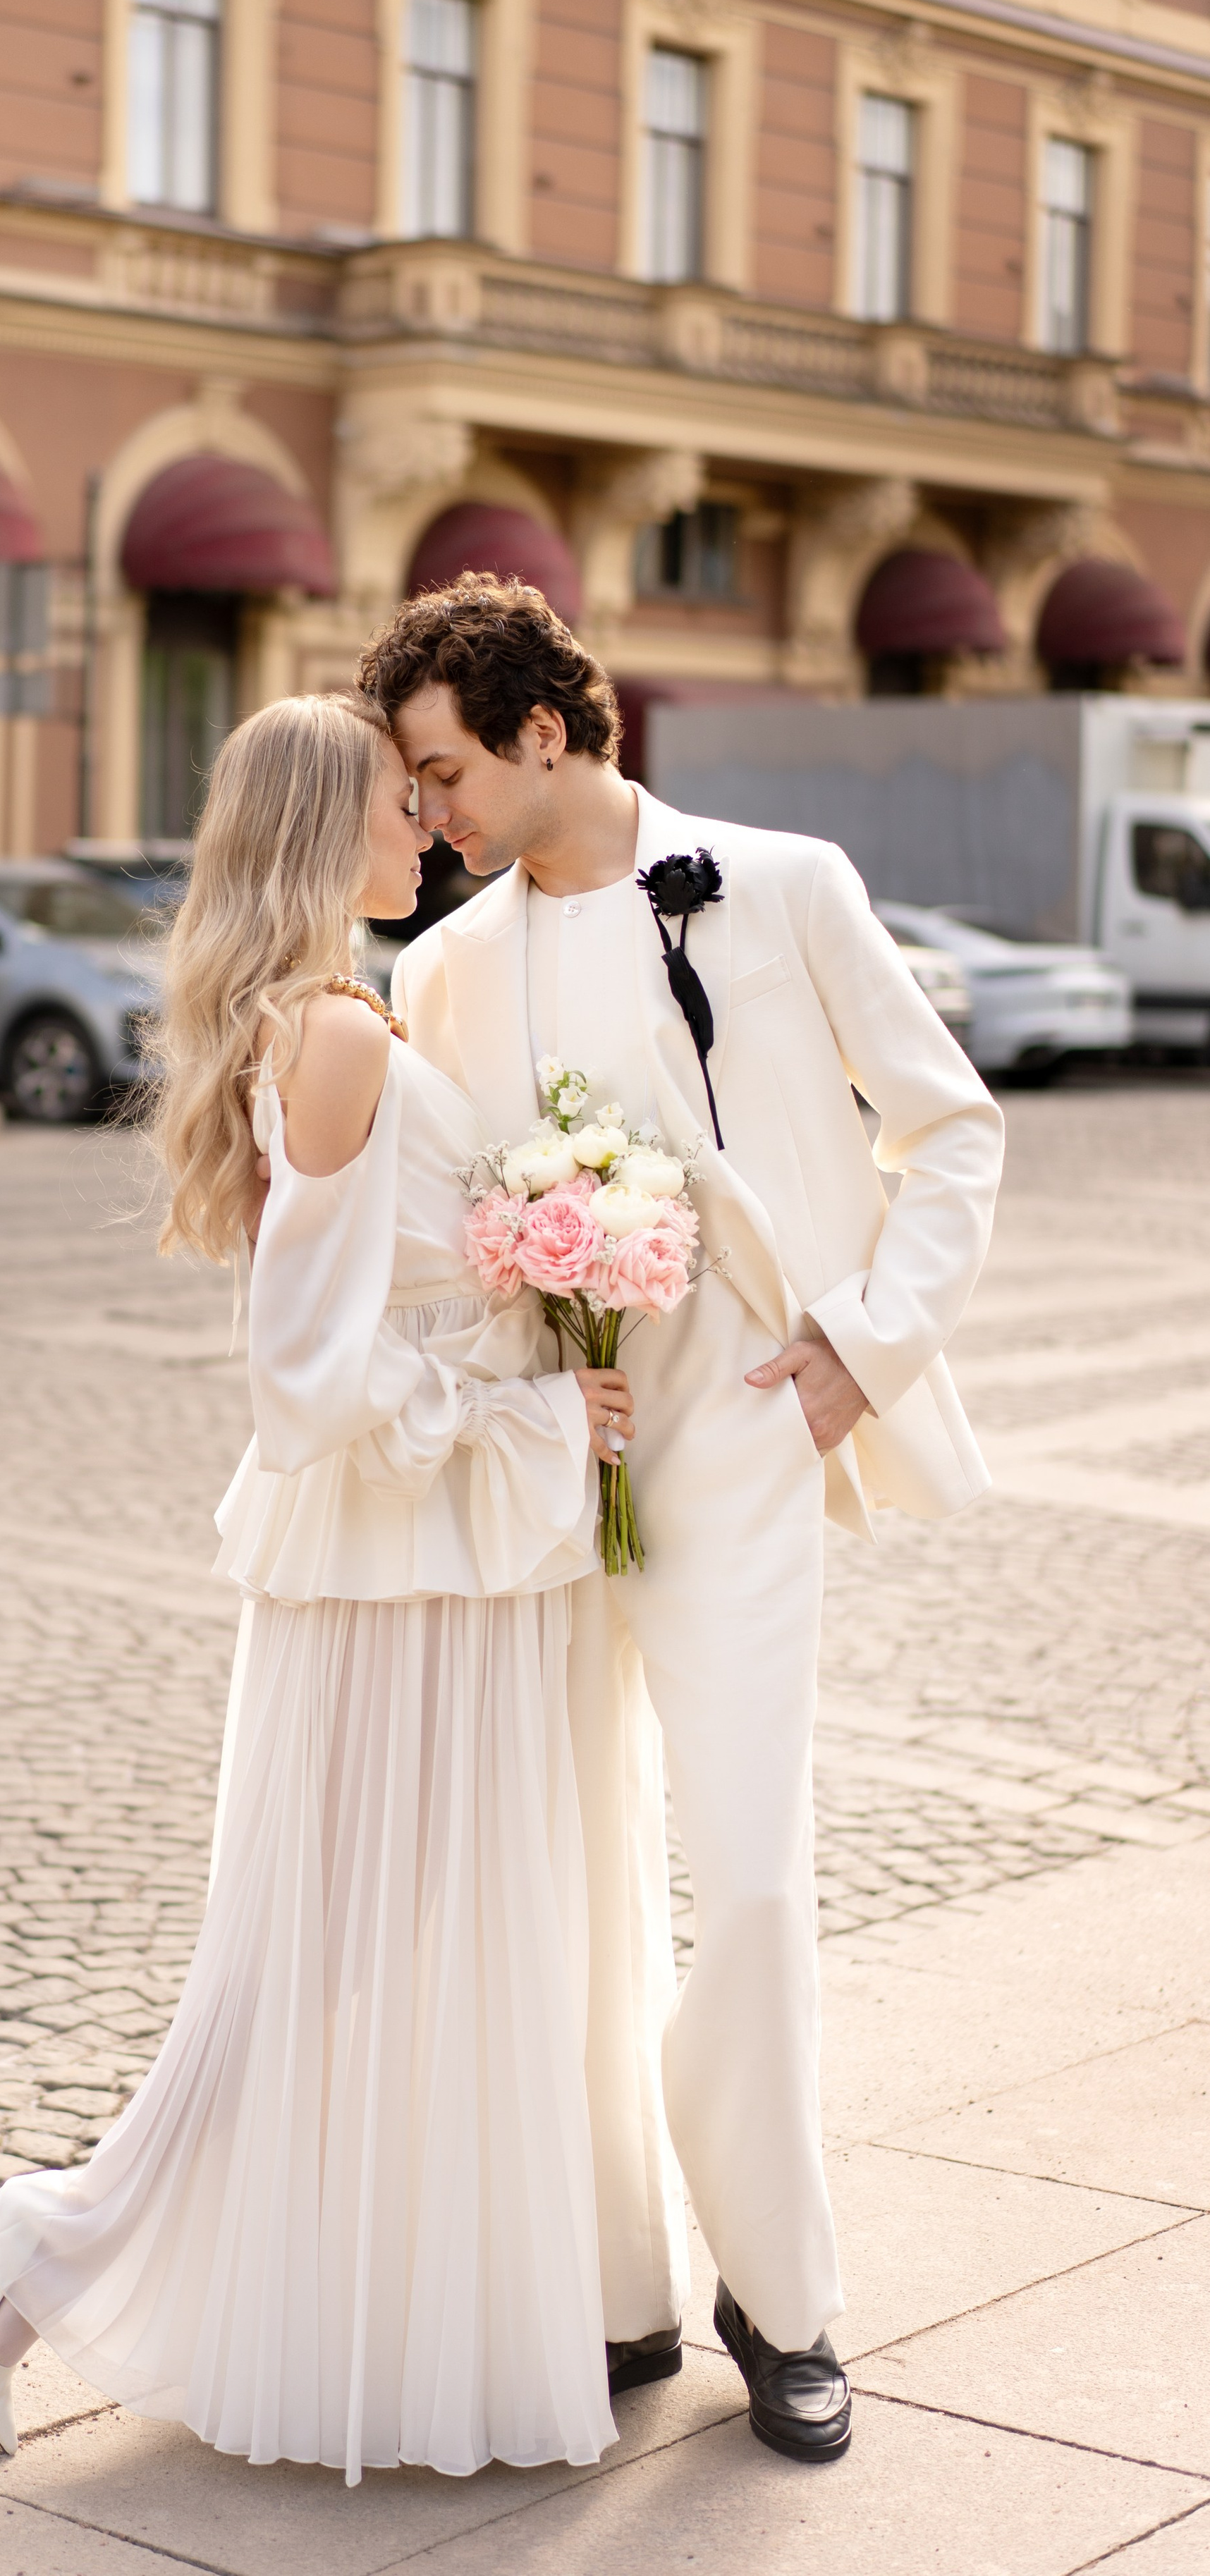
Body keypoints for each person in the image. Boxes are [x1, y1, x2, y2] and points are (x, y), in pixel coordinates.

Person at [0, 689, 639, 2484]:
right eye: (397, 802)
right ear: (324, 825)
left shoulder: (338, 1014)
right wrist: (534, 1405)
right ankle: (53, 2247)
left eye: (428, 796)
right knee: (334, 1959)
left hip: (428, 1566)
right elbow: (304, 1376)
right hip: (402, 1569)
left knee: (386, 1958)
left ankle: (344, 2311)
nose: (424, 824)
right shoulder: (332, 1032)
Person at [361, 576, 1003, 2465]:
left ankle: (781, 2301)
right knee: (554, 1887)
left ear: (544, 729)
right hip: (555, 1465)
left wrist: (859, 1349)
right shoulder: (447, 970)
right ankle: (615, 2285)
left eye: (444, 769)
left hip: (735, 1445)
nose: (432, 815)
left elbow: (951, 1128)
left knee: (746, 1883)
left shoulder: (785, 885)